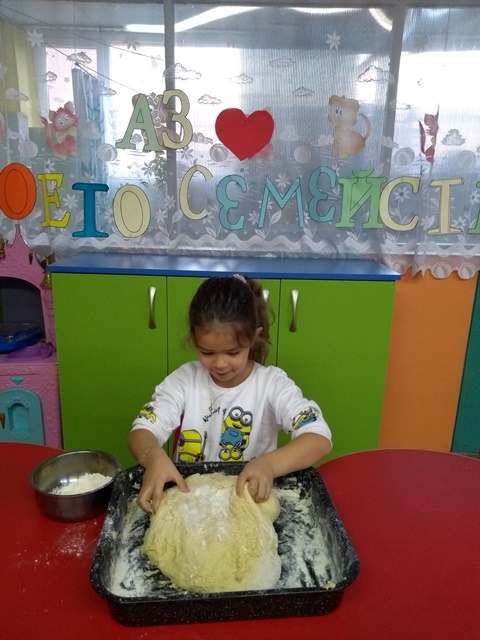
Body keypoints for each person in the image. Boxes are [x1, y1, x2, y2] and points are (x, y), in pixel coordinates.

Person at [128, 274, 332, 513]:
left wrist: (268, 465)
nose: (220, 364)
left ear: (253, 338)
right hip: (190, 503)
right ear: (194, 339)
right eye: (207, 352)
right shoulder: (184, 381)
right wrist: (153, 456)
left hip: (247, 499)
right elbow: (142, 431)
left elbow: (318, 438)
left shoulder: (272, 385)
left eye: (233, 352)